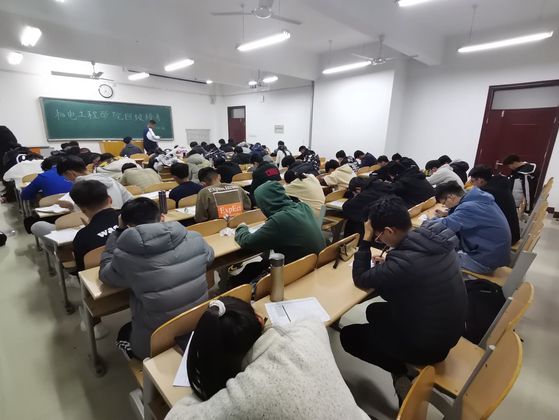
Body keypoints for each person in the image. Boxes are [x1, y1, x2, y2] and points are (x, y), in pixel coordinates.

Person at [340, 197, 467, 404]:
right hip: (448, 331)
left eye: (378, 235)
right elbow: (416, 273)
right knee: (374, 311)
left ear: (389, 231)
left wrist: (366, 239)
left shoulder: (405, 262)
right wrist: (390, 263)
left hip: (428, 346)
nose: (378, 240)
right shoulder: (432, 240)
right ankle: (397, 356)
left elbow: (361, 278)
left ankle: (401, 371)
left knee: (349, 336)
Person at [166, 299, 368, 419]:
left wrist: (210, 370)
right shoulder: (309, 330)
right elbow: (307, 319)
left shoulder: (242, 398)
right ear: (259, 320)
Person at [99, 197, 215, 359]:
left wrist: (117, 233)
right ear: (162, 217)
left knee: (123, 332)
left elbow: (106, 276)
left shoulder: (125, 256)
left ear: (128, 226)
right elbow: (209, 257)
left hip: (155, 341)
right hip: (198, 323)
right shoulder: (195, 237)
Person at [235, 182, 325, 264]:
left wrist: (241, 227)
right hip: (318, 262)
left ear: (265, 203)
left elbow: (248, 242)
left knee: (248, 271)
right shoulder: (303, 207)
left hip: (299, 269)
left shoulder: (279, 220)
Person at [434, 181, 511, 274]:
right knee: (448, 242)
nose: (445, 206)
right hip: (493, 252)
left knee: (437, 258)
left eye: (444, 203)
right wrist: (447, 214)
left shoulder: (468, 207)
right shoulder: (478, 198)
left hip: (485, 261)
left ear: (451, 197)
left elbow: (444, 225)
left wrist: (426, 222)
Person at [70, 180, 119, 272]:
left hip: (104, 278)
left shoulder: (82, 237)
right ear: (110, 199)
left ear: (82, 209)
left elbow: (82, 272)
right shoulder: (131, 216)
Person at [469, 165, 520, 244]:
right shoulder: (498, 185)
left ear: (480, 180)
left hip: (504, 238)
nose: (472, 185)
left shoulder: (488, 192)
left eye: (472, 181)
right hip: (511, 233)